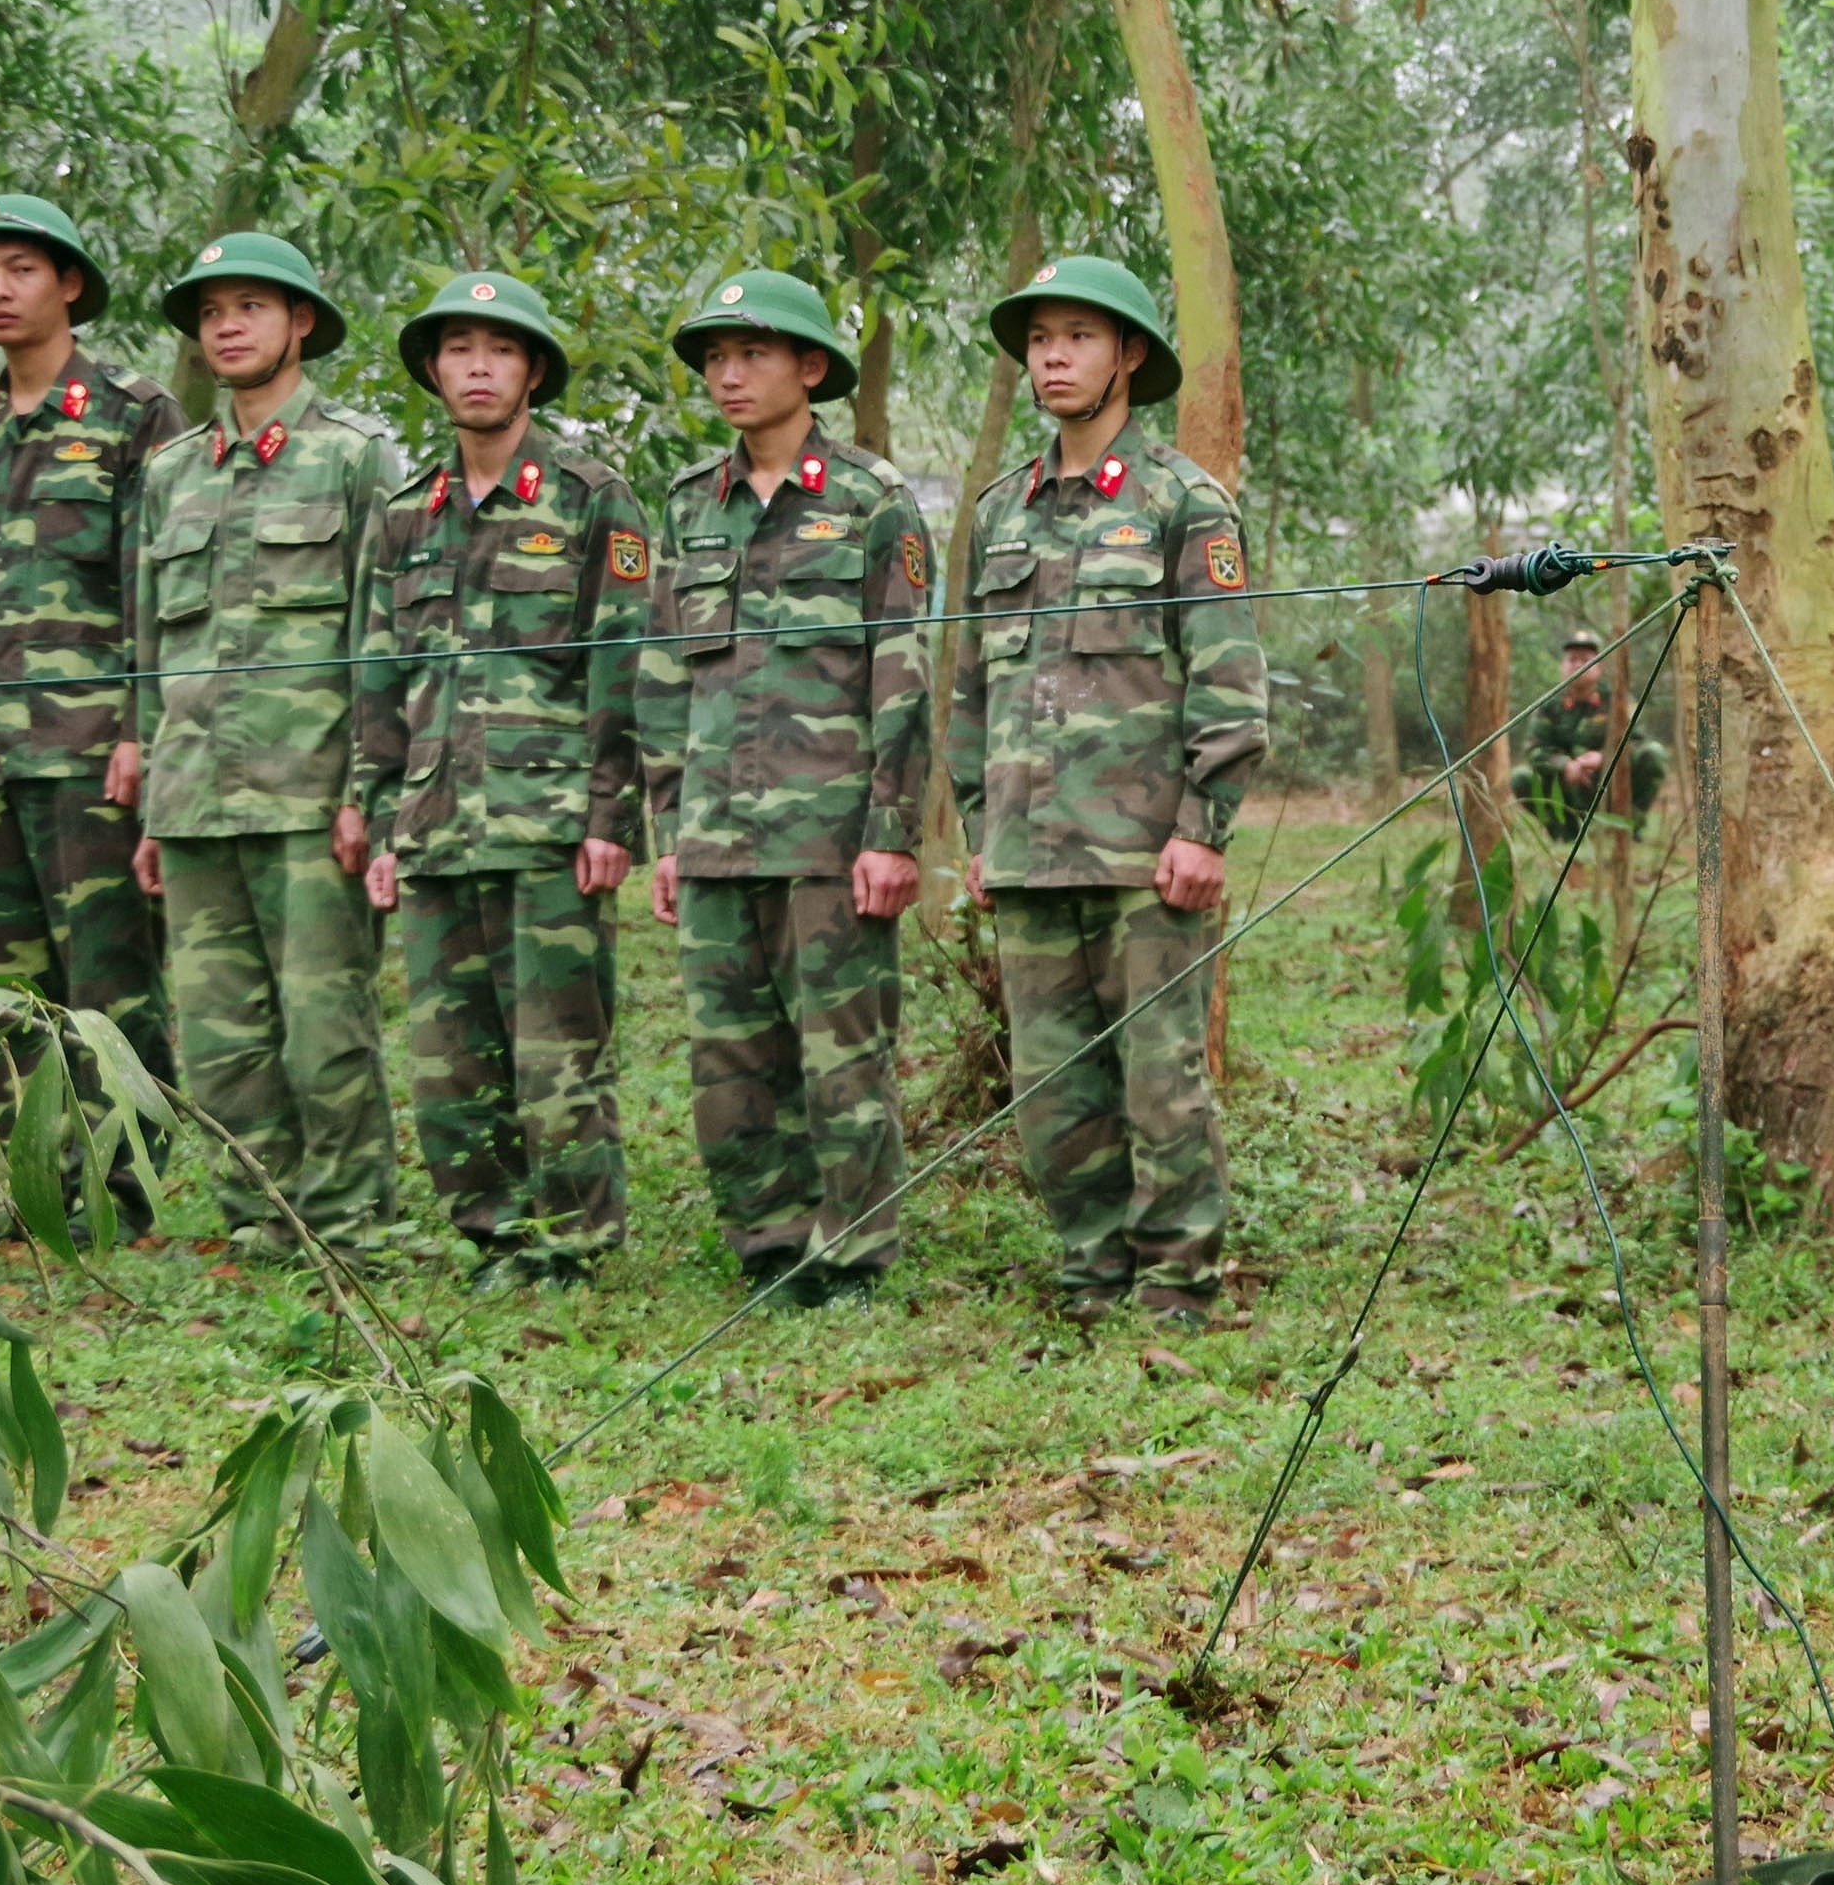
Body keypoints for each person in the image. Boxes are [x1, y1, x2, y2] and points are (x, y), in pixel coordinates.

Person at [947, 256, 1267, 1322]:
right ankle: (1093, 1267)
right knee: (1050, 1084)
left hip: (1143, 849)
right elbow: (968, 691)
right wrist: (980, 830)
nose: (1052, 357)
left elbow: (1227, 675)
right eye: (1039, 339)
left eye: (1078, 336)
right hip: (1031, 847)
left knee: (1159, 1074)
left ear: (1129, 354)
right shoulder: (1001, 512)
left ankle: (1179, 1279)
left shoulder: (1184, 502)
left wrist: (1203, 826)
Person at [637, 270, 931, 1305]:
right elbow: (664, 675)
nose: (729, 374)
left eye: (753, 354)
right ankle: (767, 1243)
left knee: (844, 1058)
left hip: (828, 832)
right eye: (716, 357)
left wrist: (893, 833)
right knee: (729, 1059)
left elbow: (903, 672)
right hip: (717, 831)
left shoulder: (871, 502)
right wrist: (667, 830)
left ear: (811, 369)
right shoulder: (687, 509)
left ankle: (850, 1254)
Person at [116, 232, 404, 1258]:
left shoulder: (358, 456)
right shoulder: (169, 475)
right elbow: (155, 651)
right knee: (220, 1039)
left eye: (250, 306)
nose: (227, 326)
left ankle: (349, 1222)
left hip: (310, 794)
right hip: (196, 803)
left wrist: (370, 790)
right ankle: (262, 1221)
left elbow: (386, 632)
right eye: (211, 312)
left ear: (302, 324)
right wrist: (154, 806)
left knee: (326, 1033)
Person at [359, 272, 644, 1284]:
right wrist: (376, 819)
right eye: (458, 350)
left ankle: (572, 1239)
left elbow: (624, 663)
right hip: (434, 826)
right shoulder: (404, 516)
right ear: (434, 371)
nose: (477, 368)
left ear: (531, 371)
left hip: (550, 824)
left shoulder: (590, 499)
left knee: (558, 1048)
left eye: (500, 350)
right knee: (448, 1058)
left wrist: (612, 816)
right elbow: (379, 681)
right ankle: (494, 1233)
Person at [0, 193, 180, 1213]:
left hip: (87, 745)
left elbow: (162, 585)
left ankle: (119, 1186)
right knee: (0, 995)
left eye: (20, 269)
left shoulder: (131, 414)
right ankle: (31, 1183)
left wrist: (145, 730)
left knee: (109, 986)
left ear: (67, 284)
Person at [1519, 630, 1665, 839]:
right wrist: (1565, 765)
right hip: (1566, 785)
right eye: (1572, 660)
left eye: (1586, 660)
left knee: (1654, 754)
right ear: (1562, 666)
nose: (1578, 665)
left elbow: (1637, 743)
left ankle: (1628, 827)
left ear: (1599, 667)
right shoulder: (1549, 705)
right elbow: (1534, 750)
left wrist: (1603, 758)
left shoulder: (1619, 701)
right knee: (1521, 778)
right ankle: (1564, 833)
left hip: (1610, 782)